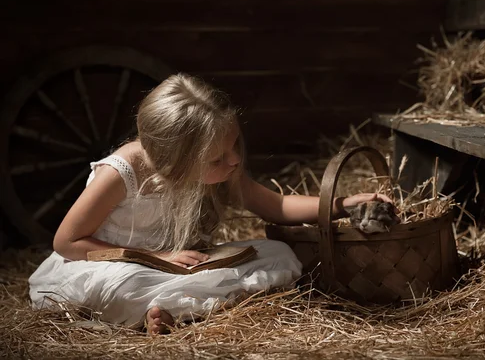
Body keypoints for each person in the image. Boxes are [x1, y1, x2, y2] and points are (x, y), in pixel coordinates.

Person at [28, 73, 394, 334]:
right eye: (218, 158)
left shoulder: (220, 168)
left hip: (180, 266)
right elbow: (67, 243)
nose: (233, 160)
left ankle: (172, 311)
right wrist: (153, 259)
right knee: (126, 287)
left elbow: (276, 207)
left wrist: (343, 202)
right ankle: (171, 310)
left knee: (278, 254)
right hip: (115, 265)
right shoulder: (121, 173)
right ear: (177, 159)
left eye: (234, 146)